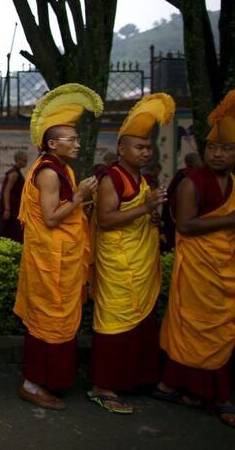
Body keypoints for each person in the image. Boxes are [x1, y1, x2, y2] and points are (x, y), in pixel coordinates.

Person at [14, 84, 102, 410]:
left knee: (59, 322)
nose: (78, 144)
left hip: (60, 258)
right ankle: (32, 384)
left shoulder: (61, 168)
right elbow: (50, 218)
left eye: (77, 139)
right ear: (52, 144)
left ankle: (50, 380)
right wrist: (80, 198)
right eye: (72, 140)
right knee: (46, 322)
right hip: (49, 261)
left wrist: (80, 207)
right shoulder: (49, 173)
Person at [88, 93, 175, 414]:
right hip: (119, 263)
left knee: (141, 323)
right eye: (138, 147)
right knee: (115, 323)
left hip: (140, 262)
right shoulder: (113, 178)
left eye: (148, 147)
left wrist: (151, 214)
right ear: (121, 149)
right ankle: (103, 385)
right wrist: (145, 209)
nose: (145, 152)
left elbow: (139, 212)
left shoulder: (143, 179)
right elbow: (107, 220)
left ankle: (136, 378)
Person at [155, 90, 235, 428]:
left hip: (225, 267)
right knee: (193, 325)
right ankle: (207, 394)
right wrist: (230, 221)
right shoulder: (192, 182)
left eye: (226, 149)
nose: (217, 154)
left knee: (222, 328)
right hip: (198, 268)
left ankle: (199, 390)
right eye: (212, 148)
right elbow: (185, 225)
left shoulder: (232, 183)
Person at [161, 152, 203, 251]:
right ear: (196, 162)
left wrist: (165, 216)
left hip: (176, 215)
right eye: (199, 160)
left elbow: (169, 193)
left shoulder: (180, 173)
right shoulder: (197, 175)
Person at [0, 150, 27, 242]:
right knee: (8, 231)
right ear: (18, 160)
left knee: (13, 231)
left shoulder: (17, 172)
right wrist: (7, 209)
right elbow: (6, 191)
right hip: (11, 208)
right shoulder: (14, 173)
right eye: (24, 160)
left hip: (16, 207)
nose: (26, 162)